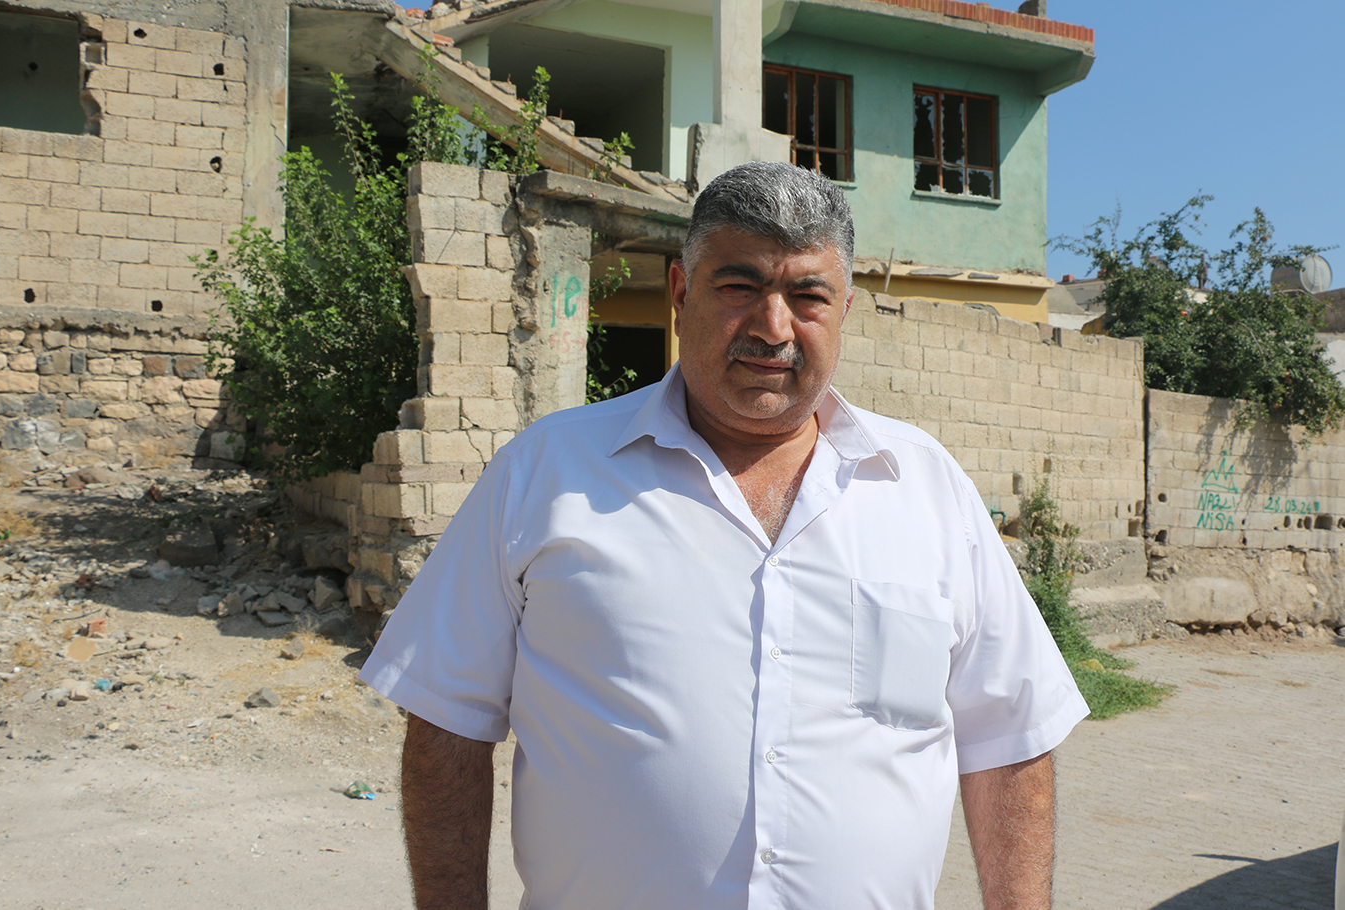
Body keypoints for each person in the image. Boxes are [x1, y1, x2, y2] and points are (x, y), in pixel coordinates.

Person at [361, 160, 1089, 910]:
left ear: (844, 310)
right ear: (681, 293)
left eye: (808, 296)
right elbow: (446, 722)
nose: (774, 328)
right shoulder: (543, 475)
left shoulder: (928, 490)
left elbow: (1009, 740)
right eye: (741, 287)